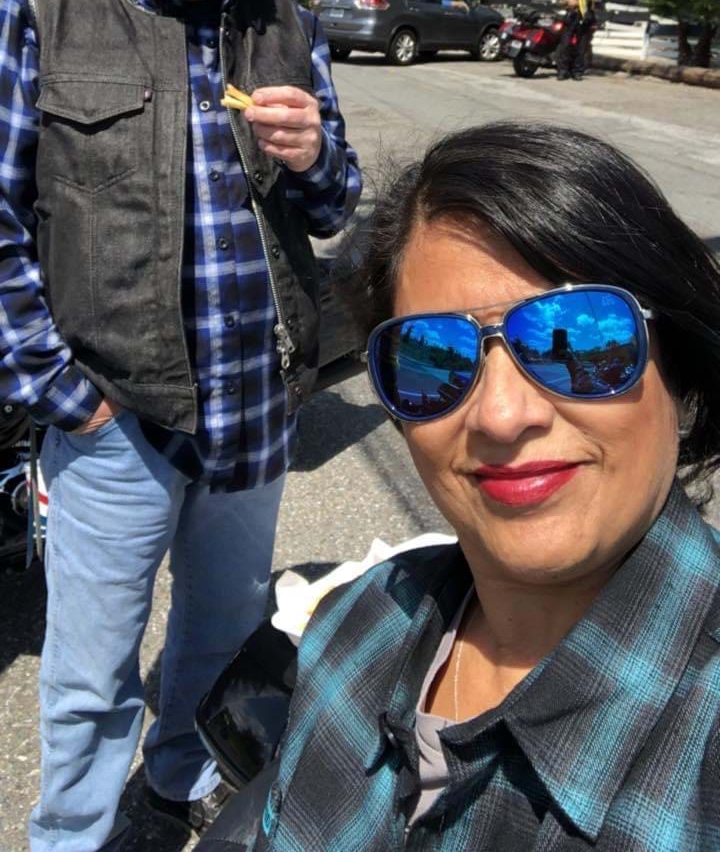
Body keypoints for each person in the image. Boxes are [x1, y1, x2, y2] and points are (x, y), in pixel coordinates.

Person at [0, 0, 362, 851]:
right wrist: (62, 393)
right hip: (116, 419)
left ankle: (172, 791)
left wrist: (317, 154)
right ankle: (73, 835)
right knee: (88, 675)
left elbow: (336, 206)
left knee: (219, 633)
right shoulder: (45, 11)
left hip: (256, 414)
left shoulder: (286, 27)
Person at [249, 121, 720, 851]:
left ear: (679, 372)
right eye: (433, 356)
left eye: (579, 339)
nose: (501, 415)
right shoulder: (355, 626)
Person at [556, 0, 600, 80]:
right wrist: (567, 3)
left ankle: (577, 72)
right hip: (571, 18)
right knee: (565, 45)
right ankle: (563, 71)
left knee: (581, 47)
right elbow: (560, 1)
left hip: (584, 20)